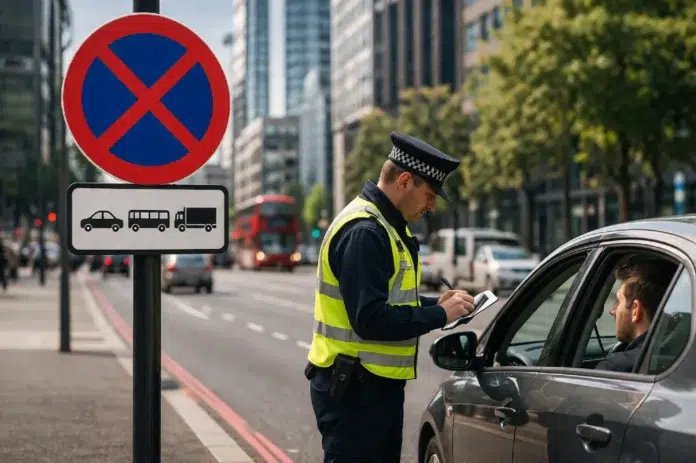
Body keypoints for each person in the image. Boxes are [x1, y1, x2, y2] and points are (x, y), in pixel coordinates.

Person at [305, 132, 476, 462]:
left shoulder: (387, 226)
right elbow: (370, 319)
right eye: (429, 194)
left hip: (370, 390)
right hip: (355, 393)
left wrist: (436, 304)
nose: (431, 205)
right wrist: (439, 316)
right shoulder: (365, 232)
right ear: (405, 180)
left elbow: (388, 300)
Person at [595, 260, 672, 373]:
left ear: (636, 310)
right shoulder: (683, 354)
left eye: (618, 301)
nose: (612, 310)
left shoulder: (615, 368)